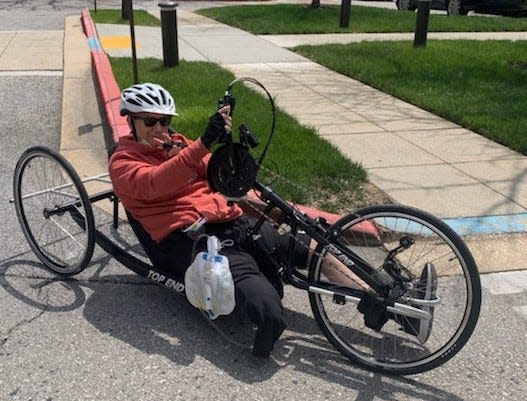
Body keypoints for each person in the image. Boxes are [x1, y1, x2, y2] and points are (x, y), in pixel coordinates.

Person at [109, 82, 313, 357]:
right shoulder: (123, 163)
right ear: (131, 121)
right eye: (150, 121)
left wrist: (209, 147)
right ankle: (259, 352)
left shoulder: (174, 143)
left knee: (311, 250)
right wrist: (201, 144)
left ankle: (377, 295)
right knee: (268, 311)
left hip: (233, 220)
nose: (159, 128)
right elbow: (155, 182)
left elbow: (214, 172)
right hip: (197, 240)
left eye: (165, 121)